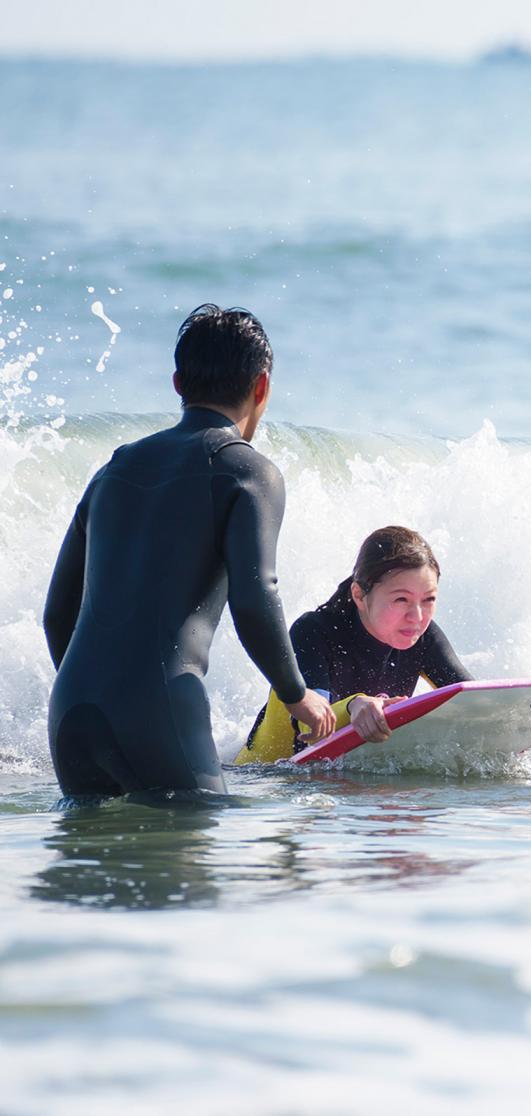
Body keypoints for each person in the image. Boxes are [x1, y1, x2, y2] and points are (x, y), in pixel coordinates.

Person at [43, 304, 334, 799]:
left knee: (87, 873)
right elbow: (255, 597)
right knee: (190, 860)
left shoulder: (114, 469)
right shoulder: (247, 471)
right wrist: (295, 694)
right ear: (261, 386)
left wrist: (99, 691)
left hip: (72, 710)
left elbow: (56, 614)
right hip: (159, 708)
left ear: (178, 383)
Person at [234, 526, 471, 762]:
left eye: (429, 599)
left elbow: (476, 703)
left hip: (348, 782)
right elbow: (309, 727)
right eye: (401, 599)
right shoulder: (314, 631)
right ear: (359, 594)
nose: (417, 616)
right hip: (265, 782)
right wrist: (354, 706)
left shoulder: (423, 637)